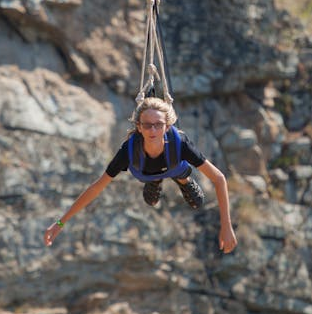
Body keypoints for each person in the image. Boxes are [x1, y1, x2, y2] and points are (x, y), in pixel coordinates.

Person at [44, 97, 238, 253]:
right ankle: (155, 180)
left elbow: (219, 178)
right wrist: (61, 222)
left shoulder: (181, 144)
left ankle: (183, 180)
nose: (152, 130)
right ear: (138, 126)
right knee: (151, 199)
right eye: (147, 125)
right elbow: (97, 187)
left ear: (167, 126)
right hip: (145, 172)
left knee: (197, 201)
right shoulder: (129, 149)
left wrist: (226, 226)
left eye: (158, 125)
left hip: (176, 166)